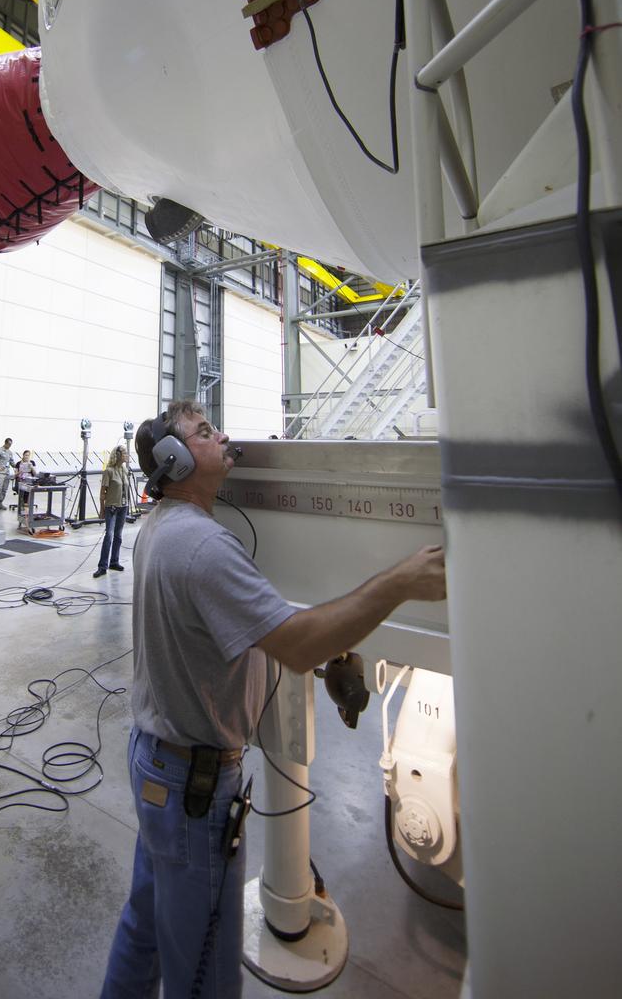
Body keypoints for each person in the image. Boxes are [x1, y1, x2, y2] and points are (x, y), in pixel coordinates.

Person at [99, 400, 447, 999]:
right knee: (205, 975)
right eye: (206, 433)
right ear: (176, 462)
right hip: (193, 789)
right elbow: (299, 646)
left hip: (156, 766)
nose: (223, 436)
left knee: (144, 931)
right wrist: (398, 582)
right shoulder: (205, 548)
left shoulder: (158, 528)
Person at [94, 444, 129, 578]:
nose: (127, 455)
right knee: (109, 535)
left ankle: (114, 561)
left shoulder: (125, 470)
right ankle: (102, 566)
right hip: (112, 508)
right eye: (125, 453)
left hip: (123, 507)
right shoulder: (108, 471)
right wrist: (102, 509)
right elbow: (103, 492)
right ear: (118, 455)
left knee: (118, 536)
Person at [16, 449, 37, 525]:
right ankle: (22, 511)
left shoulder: (32, 463)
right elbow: (15, 475)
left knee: (29, 493)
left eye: (28, 455)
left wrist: (31, 467)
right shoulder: (18, 463)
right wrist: (19, 472)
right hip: (21, 480)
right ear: (23, 455)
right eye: (26, 455)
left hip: (29, 481)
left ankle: (27, 511)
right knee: (23, 493)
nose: (27, 457)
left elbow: (35, 474)